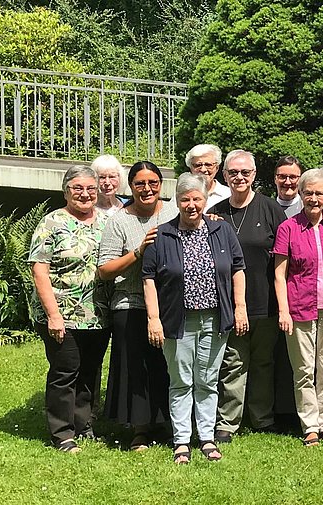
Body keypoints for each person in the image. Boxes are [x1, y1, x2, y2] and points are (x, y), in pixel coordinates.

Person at [142, 173, 247, 464]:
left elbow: (238, 268)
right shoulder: (161, 235)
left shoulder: (221, 230)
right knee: (180, 382)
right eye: (185, 199)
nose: (191, 205)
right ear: (177, 201)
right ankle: (181, 441)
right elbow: (148, 278)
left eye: (197, 199)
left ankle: (207, 438)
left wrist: (239, 307)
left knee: (208, 380)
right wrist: (153, 318)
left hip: (215, 318)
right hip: (178, 321)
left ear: (205, 200)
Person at [29, 166, 110, 453]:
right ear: (66, 191)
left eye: (90, 188)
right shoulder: (51, 223)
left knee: (90, 371)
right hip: (62, 313)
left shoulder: (107, 222)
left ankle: (84, 425)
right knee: (65, 371)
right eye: (77, 188)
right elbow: (39, 270)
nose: (85, 194)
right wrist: (54, 315)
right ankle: (62, 433)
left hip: (98, 313)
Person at [99, 160, 178, 451]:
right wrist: (138, 251)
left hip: (169, 303)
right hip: (130, 303)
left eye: (153, 183)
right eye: (140, 184)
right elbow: (105, 270)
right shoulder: (119, 220)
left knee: (168, 366)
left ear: (161, 185)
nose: (147, 189)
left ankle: (169, 422)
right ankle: (140, 428)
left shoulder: (173, 212)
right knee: (137, 367)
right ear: (130, 187)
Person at [210, 149, 287, 442]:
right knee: (233, 362)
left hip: (265, 301)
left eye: (245, 172)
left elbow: (284, 257)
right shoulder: (215, 212)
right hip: (228, 302)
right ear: (224, 175)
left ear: (254, 175)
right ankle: (228, 421)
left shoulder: (270, 209)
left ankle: (262, 417)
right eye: (233, 172)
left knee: (264, 362)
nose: (239, 177)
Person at [273, 169, 323, 446]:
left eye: (319, 193)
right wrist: (283, 310)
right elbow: (279, 274)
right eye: (308, 193)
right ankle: (310, 425)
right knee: (304, 370)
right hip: (299, 308)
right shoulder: (288, 228)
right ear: (301, 194)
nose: (314, 199)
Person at [184, 144, 231, 209]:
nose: (203, 170)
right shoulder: (182, 194)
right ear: (190, 168)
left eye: (208, 165)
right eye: (198, 165)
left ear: (217, 168)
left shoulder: (228, 195)